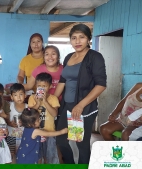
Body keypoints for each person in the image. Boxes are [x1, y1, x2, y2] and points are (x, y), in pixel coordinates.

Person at [54, 23, 107, 164]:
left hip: (83, 108)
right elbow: (63, 80)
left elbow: (101, 85)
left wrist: (80, 105)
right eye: (73, 38)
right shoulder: (68, 57)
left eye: (81, 37)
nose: (77, 41)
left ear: (89, 39)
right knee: (61, 140)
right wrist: (52, 98)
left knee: (80, 143)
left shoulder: (95, 57)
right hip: (67, 106)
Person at [27, 73, 60, 164]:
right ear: (35, 86)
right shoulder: (32, 98)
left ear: (50, 86)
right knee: (37, 157)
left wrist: (45, 101)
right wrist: (38, 103)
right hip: (36, 134)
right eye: (39, 86)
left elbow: (54, 114)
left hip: (50, 133)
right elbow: (29, 114)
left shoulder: (53, 99)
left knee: (50, 156)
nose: (41, 89)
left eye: (44, 86)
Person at [5, 83, 27, 160]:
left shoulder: (28, 107)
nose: (18, 97)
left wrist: (24, 122)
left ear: (25, 95)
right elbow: (5, 118)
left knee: (23, 154)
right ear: (11, 97)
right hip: (11, 135)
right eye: (15, 95)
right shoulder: (9, 106)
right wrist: (9, 123)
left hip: (24, 136)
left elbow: (31, 121)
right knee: (11, 154)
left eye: (21, 94)